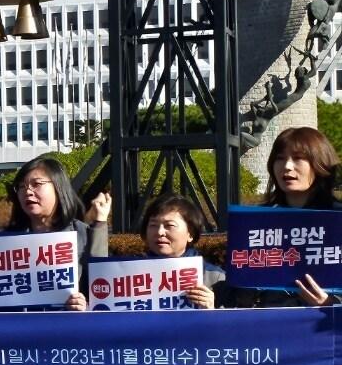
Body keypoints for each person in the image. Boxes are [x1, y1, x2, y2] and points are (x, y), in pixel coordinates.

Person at [224, 126, 339, 308]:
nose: (287, 166)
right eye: (280, 158)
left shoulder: (336, 220)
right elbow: (238, 290)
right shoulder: (254, 223)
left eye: (298, 158)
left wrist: (330, 304)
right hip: (264, 327)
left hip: (323, 330)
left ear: (320, 163)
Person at [0, 155, 110, 311]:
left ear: (59, 188)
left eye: (36, 184)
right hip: (20, 331)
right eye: (21, 187)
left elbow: (101, 288)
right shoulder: (4, 241)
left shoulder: (83, 235)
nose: (27, 192)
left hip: (68, 329)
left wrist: (85, 306)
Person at [138, 193, 222, 309]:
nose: (160, 232)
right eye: (153, 225)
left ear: (190, 233)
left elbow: (234, 325)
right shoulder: (128, 274)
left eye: (169, 225)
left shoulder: (215, 278)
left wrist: (213, 312)